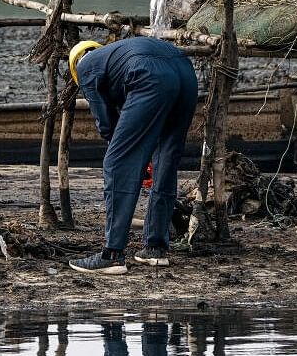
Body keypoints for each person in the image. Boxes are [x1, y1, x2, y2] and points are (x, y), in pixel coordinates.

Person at [66, 37, 199, 274]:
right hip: (186, 72)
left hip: (150, 76)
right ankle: (155, 248)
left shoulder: (85, 67)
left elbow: (107, 124)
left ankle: (112, 254)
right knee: (166, 159)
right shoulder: (116, 54)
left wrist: (133, 155)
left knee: (117, 162)